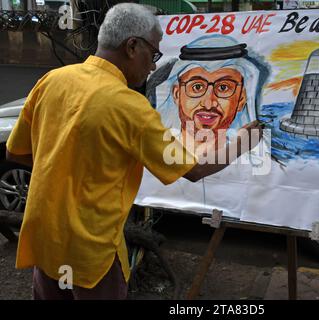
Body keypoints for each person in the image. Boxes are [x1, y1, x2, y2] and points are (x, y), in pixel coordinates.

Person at [6, 3, 262, 300]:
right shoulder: (128, 106)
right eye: (153, 54)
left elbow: (16, 152)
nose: (153, 65)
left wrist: (62, 174)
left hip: (44, 236)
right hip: (90, 248)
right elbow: (193, 169)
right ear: (131, 46)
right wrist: (241, 143)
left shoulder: (52, 81)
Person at [153, 35, 270, 155]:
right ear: (177, 95)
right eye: (197, 87)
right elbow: (193, 172)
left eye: (223, 87)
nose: (208, 103)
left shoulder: (256, 160)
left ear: (241, 99)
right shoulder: (155, 152)